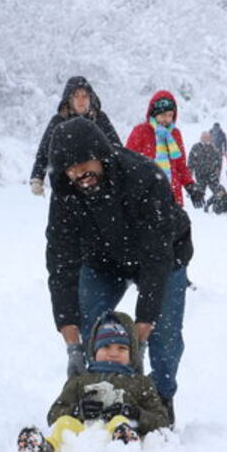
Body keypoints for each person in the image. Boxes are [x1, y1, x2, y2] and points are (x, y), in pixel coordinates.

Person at [46, 117, 193, 423]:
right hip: (103, 260)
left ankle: (160, 397)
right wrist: (72, 342)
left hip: (164, 256)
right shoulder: (66, 191)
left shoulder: (144, 177)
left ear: (100, 154)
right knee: (90, 327)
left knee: (163, 336)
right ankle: (96, 393)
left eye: (85, 164)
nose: (79, 175)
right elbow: (61, 262)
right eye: (71, 169)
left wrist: (142, 327)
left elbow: (156, 258)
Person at [18, 311, 172, 452]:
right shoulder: (80, 380)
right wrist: (78, 411)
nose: (113, 353)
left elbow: (162, 419)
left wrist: (135, 413)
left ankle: (124, 445)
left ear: (132, 354)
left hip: (117, 432)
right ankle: (47, 448)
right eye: (106, 347)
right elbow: (54, 413)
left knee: (119, 422)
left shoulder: (140, 383)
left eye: (122, 348)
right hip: (82, 435)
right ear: (94, 350)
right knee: (64, 423)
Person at [30, 76, 121, 197]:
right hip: (67, 186)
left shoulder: (100, 119)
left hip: (97, 184)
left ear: (90, 98)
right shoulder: (58, 121)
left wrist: (123, 174)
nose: (80, 100)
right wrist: (37, 177)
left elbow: (116, 148)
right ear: (69, 99)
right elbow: (44, 151)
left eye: (84, 96)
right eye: (76, 96)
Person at [124, 90, 196, 208]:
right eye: (162, 115)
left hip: (172, 196)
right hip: (146, 195)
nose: (166, 119)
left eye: (170, 115)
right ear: (154, 114)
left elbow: (180, 165)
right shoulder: (141, 131)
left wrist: (189, 185)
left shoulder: (175, 134)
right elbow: (128, 162)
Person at [187, 131, 222, 209]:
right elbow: (191, 161)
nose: (206, 139)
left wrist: (217, 171)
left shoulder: (213, 148)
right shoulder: (195, 147)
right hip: (200, 174)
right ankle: (200, 206)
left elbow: (219, 160)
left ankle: (218, 204)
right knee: (200, 191)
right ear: (201, 138)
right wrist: (189, 173)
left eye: (207, 137)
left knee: (218, 191)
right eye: (204, 137)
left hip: (212, 174)